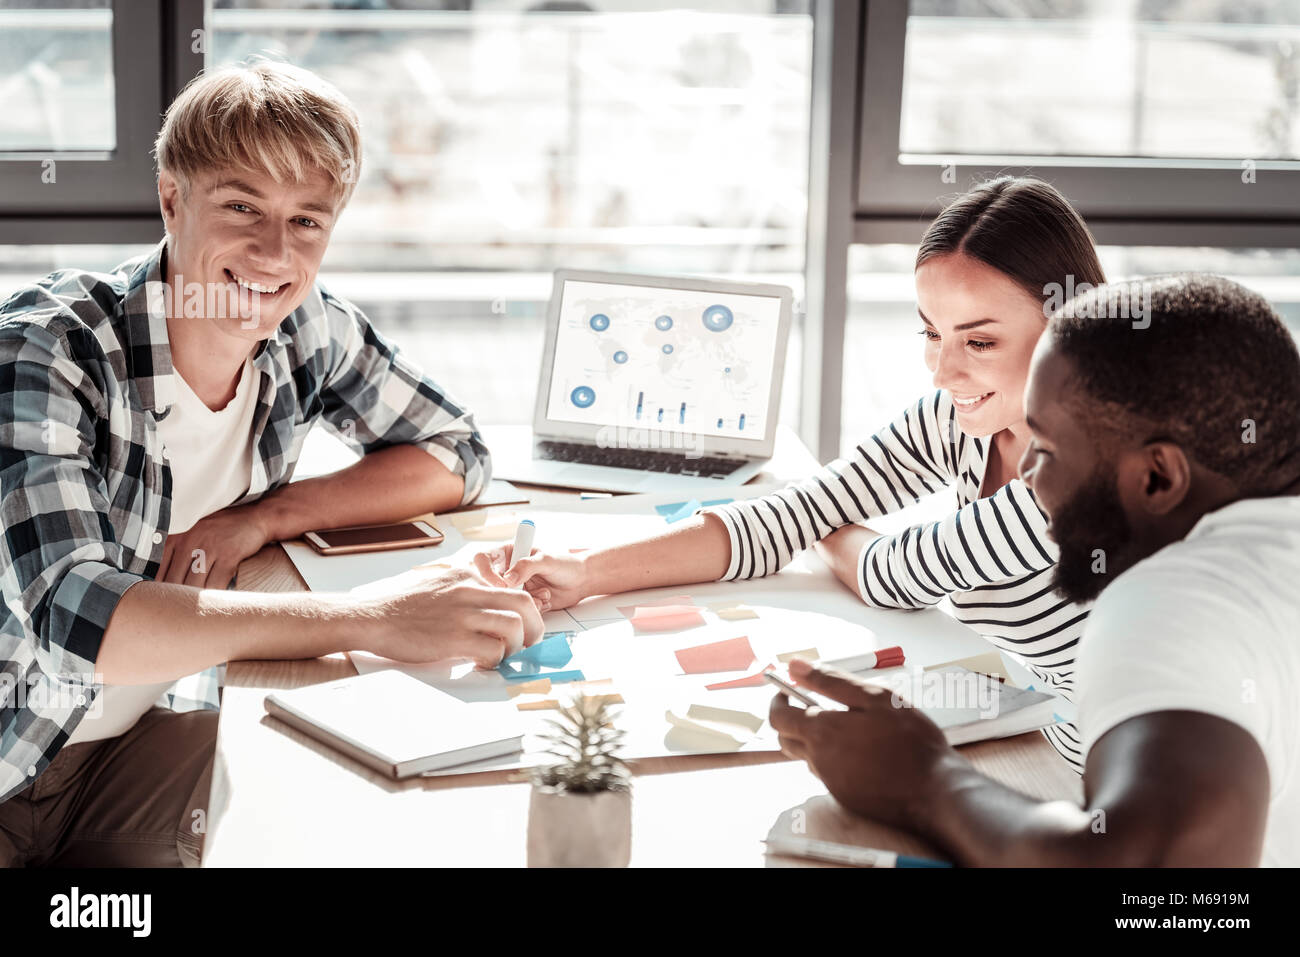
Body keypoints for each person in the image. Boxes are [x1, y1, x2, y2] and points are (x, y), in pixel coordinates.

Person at [0, 59, 542, 867]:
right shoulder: (48, 349)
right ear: (172, 199)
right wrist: (377, 619)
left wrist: (261, 518)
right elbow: (82, 620)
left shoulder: (304, 328)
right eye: (242, 205)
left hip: (133, 745)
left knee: (347, 821)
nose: (271, 252)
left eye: (306, 222)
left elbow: (455, 452)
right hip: (16, 754)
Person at [490, 176, 1105, 770]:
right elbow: (787, 515)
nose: (941, 373)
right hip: (1027, 728)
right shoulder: (966, 418)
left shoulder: (1086, 470)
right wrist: (588, 572)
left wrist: (821, 525)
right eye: (931, 332)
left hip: (1108, 783)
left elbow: (893, 575)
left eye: (980, 343)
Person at [770, 274, 1300, 866]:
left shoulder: (1172, 603)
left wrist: (922, 780)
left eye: (1045, 451)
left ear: (1157, 478)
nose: (1025, 475)